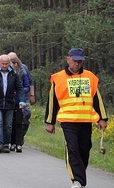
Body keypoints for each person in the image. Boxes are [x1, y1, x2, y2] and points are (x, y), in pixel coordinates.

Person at [45, 48, 108, 188]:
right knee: (72, 148)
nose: (77, 64)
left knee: (85, 149)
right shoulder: (58, 77)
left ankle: (79, 176)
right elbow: (52, 102)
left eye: (80, 61)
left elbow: (97, 99)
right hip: (68, 120)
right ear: (68, 59)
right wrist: (50, 122)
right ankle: (77, 180)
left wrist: (102, 118)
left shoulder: (90, 76)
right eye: (74, 61)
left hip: (86, 120)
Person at [0, 54, 26, 153]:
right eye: (3, 64)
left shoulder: (13, 74)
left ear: (9, 63)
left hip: (9, 103)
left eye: (6, 64)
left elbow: (19, 88)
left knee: (8, 125)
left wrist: (22, 100)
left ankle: (6, 143)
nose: (4, 66)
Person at [9, 55, 30, 153]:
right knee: (11, 123)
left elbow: (27, 86)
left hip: (19, 100)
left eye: (13, 63)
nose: (12, 65)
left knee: (18, 122)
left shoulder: (22, 73)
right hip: (9, 101)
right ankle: (12, 142)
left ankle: (18, 143)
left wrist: (19, 91)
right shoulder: (8, 74)